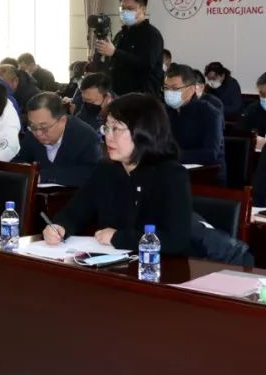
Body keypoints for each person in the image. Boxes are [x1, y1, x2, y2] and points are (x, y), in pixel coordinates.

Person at [43, 93, 193, 255]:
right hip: (110, 263)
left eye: (116, 129)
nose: (108, 136)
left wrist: (118, 238)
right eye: (106, 128)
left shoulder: (170, 174)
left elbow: (176, 240)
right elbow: (75, 212)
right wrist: (60, 227)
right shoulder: (106, 170)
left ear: (143, 132)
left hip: (156, 266)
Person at [14, 93, 102, 187]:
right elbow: (18, 161)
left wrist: (42, 176)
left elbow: (91, 173)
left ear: (62, 121)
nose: (38, 133)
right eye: (33, 127)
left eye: (44, 128)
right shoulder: (32, 133)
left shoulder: (86, 137)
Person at [93, 0, 164, 98]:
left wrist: (115, 52)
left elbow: (146, 65)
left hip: (141, 97)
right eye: (122, 8)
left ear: (143, 9)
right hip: (117, 94)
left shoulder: (151, 35)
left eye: (130, 9)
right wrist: (101, 54)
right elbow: (113, 64)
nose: (125, 12)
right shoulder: (120, 34)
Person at [164, 65, 225, 184]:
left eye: (175, 88)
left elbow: (210, 154)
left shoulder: (209, 113)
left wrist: (172, 155)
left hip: (206, 177)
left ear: (191, 89)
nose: (169, 93)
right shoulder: (163, 111)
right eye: (166, 88)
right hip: (171, 173)